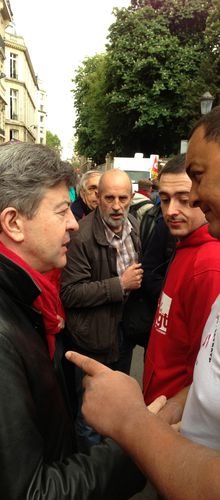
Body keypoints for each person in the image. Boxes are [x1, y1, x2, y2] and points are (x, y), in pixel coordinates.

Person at [66, 105, 220, 499]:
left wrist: (134, 424)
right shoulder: (178, 245)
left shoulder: (208, 265)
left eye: (194, 184)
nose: (185, 204)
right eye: (166, 197)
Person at [0, 142, 148, 500]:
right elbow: (31, 490)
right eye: (62, 210)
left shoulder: (25, 298)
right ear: (14, 223)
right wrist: (141, 444)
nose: (73, 224)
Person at [61, 168, 143, 448]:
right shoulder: (81, 237)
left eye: (123, 198)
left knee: (117, 403)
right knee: (89, 416)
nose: (117, 206)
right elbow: (70, 293)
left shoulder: (134, 225)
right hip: (92, 341)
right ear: (97, 196)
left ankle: (109, 464)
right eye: (109, 198)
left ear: (132, 197)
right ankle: (89, 477)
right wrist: (119, 285)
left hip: (122, 337)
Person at [143, 154, 220, 403]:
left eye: (184, 200)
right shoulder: (186, 246)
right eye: (164, 200)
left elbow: (206, 373)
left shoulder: (209, 266)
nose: (171, 211)